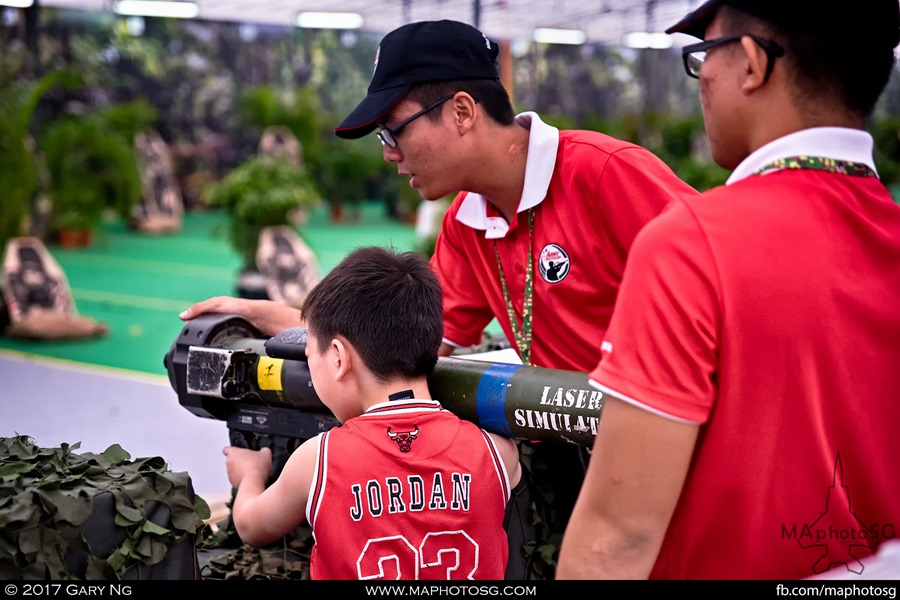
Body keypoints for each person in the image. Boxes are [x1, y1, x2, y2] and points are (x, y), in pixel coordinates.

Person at [182, 19, 699, 579]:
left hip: (683, 453)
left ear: (460, 111)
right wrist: (282, 322)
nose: (389, 154)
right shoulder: (466, 222)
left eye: (392, 131)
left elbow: (722, 290)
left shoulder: (606, 174)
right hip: (592, 457)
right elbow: (395, 337)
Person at [557, 0, 900, 580]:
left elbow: (616, 538)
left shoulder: (690, 245)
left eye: (702, 56)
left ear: (750, 64)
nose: (703, 80)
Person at [222, 246, 522, 580]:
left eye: (309, 356)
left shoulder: (317, 461)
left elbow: (251, 525)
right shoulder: (499, 453)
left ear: (338, 358)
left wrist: (249, 473)